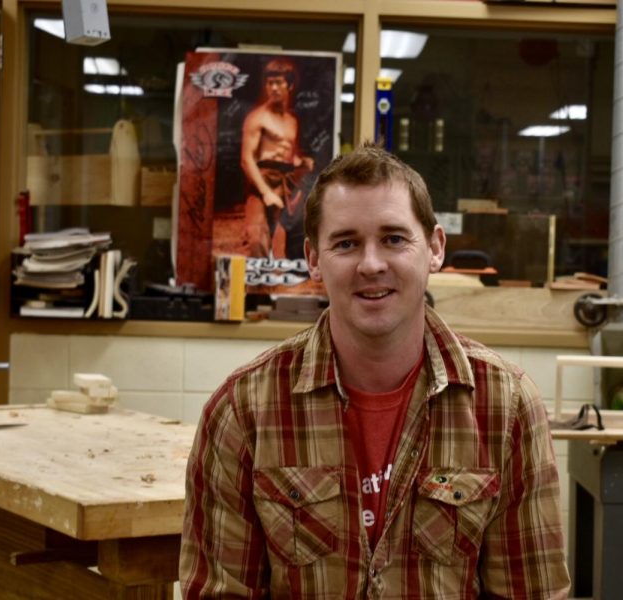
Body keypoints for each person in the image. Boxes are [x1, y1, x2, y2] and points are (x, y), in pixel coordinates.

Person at [180, 143, 571, 599]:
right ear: (313, 258)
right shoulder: (243, 411)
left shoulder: (506, 408)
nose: (371, 264)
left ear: (435, 249)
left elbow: (531, 593)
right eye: (346, 243)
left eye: (394, 239)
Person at [240, 57, 313, 259]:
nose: (273, 88)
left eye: (278, 82)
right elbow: (246, 159)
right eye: (269, 82)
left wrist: (301, 162)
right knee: (256, 239)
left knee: (285, 243)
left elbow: (289, 153)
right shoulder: (257, 117)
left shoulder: (292, 121)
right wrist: (265, 193)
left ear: (289, 85)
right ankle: (255, 290)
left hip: (286, 184)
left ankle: (278, 286)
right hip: (263, 180)